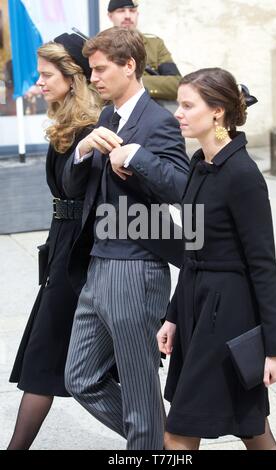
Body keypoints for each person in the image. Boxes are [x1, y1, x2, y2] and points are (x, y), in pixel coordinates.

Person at [157, 68, 276, 450]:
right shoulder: (199, 163)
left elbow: (264, 263)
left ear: (217, 112)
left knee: (178, 429)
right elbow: (193, 249)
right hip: (197, 307)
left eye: (188, 105)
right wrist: (173, 315)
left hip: (228, 314)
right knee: (250, 423)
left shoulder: (242, 173)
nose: (178, 113)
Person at [63, 26, 190, 450]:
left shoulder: (158, 122)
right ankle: (162, 441)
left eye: (100, 69)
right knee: (79, 377)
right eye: (90, 70)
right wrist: (83, 151)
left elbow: (182, 188)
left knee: (138, 390)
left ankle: (153, 445)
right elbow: (71, 188)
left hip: (135, 266)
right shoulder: (105, 118)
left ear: (129, 65)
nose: (93, 78)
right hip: (99, 263)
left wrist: (135, 155)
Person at [8, 33, 101, 450]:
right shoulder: (68, 124)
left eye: (47, 75)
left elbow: (83, 196)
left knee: (46, 356)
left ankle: (166, 440)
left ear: (72, 77)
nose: (39, 83)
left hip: (78, 258)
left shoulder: (89, 130)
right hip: (63, 250)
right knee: (48, 357)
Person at [107, 0, 181, 102]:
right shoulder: (102, 47)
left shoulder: (155, 45)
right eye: (121, 11)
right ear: (110, 16)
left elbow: (176, 83)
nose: (128, 15)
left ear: (137, 14)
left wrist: (134, 82)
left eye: (132, 11)